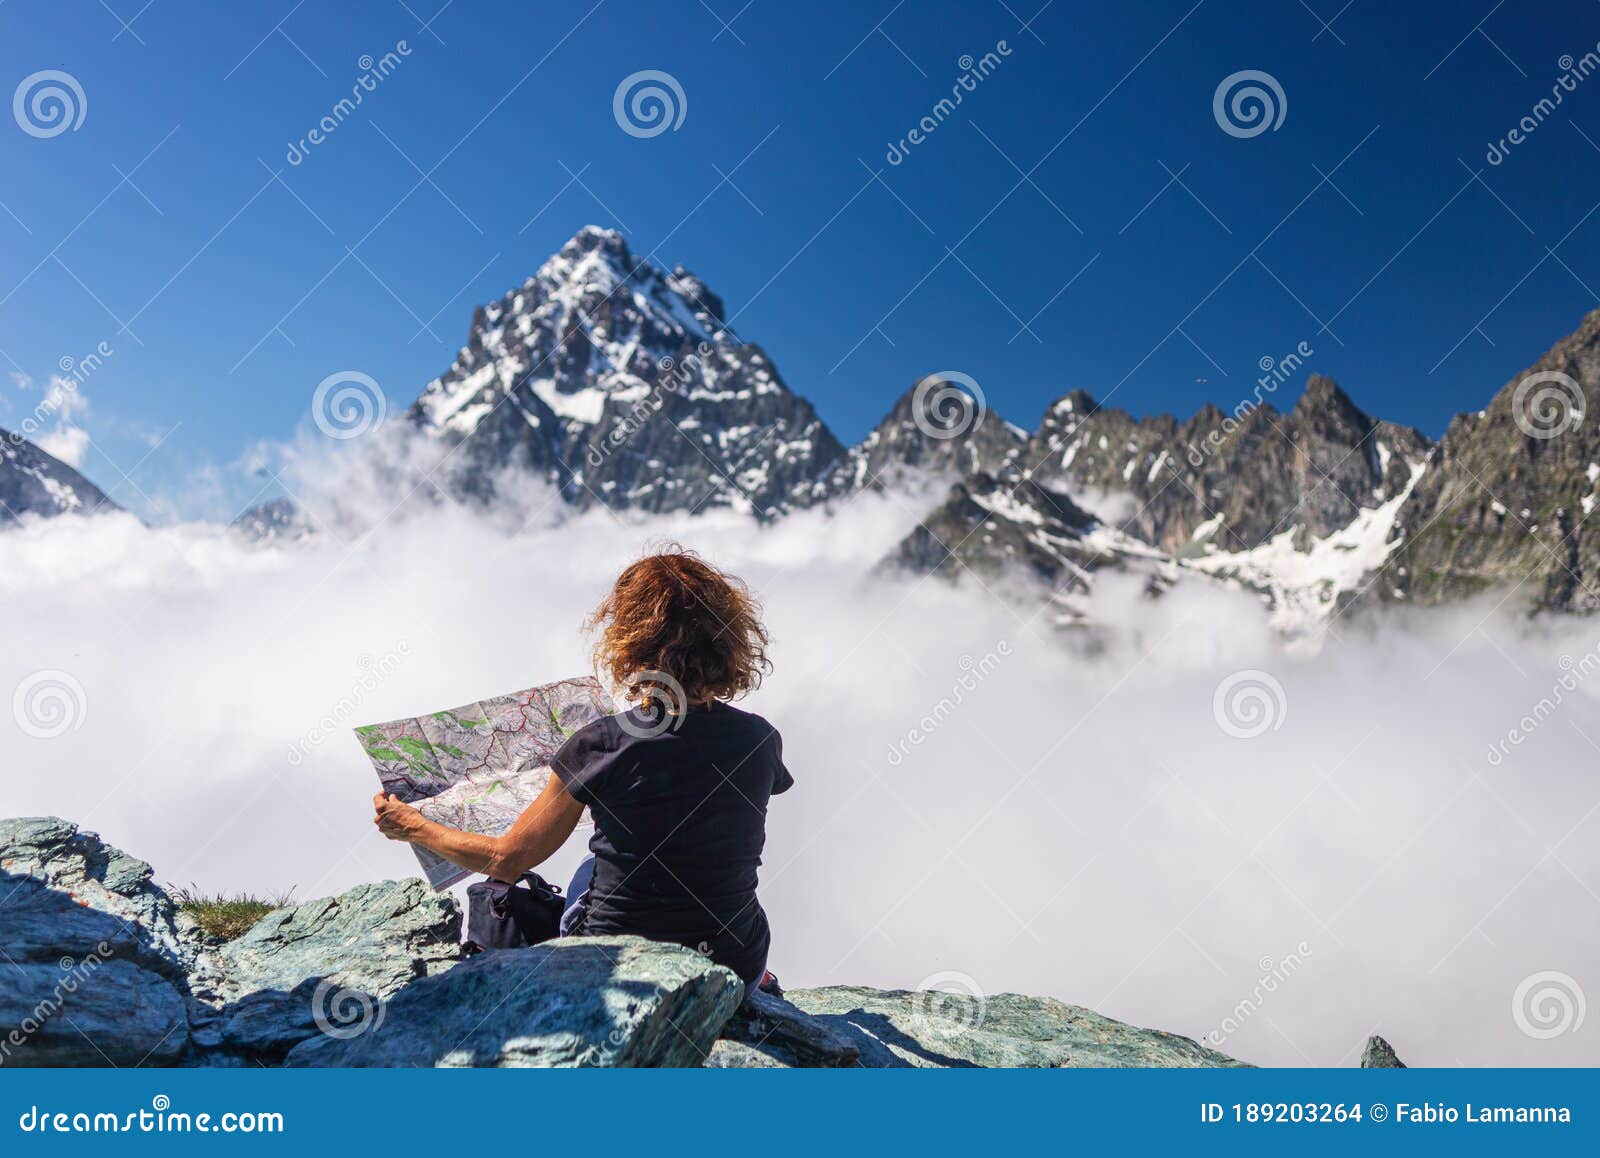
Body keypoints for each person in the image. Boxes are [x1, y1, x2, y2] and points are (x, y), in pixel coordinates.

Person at [372, 548, 791, 998]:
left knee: (549, 879)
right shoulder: (761, 741)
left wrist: (413, 826)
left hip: (615, 972)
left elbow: (505, 860)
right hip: (736, 964)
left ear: (632, 646)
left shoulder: (602, 745)